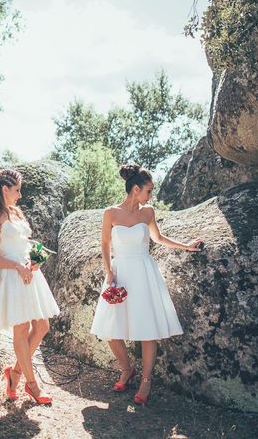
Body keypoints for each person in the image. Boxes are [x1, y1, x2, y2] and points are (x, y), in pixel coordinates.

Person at [90, 163, 203, 405]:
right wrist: (108, 272)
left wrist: (187, 246)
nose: (151, 195)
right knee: (111, 330)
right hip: (120, 272)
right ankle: (126, 368)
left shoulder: (148, 212)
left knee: (147, 329)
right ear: (136, 189)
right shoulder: (111, 213)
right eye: (149, 190)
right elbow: (105, 244)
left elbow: (158, 238)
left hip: (143, 271)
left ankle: (146, 380)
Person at [0, 168, 60, 404]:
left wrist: (33, 260)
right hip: (11, 275)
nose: (20, 195)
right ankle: (32, 385)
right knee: (21, 330)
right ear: (5, 189)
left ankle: (14, 373)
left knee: (42, 326)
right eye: (17, 190)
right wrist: (17, 266)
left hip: (30, 274)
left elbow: (24, 243)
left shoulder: (16, 212)